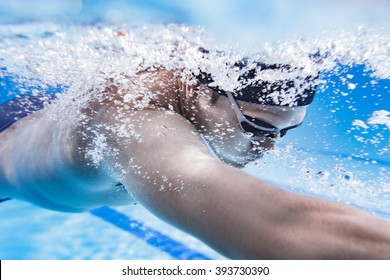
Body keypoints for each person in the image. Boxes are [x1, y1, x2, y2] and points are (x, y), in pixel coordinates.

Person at [0, 55, 390, 260]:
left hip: (50, 113)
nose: (269, 147)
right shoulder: (134, 122)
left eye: (286, 132)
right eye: (256, 127)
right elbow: (280, 227)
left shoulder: (192, 84)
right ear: (204, 93)